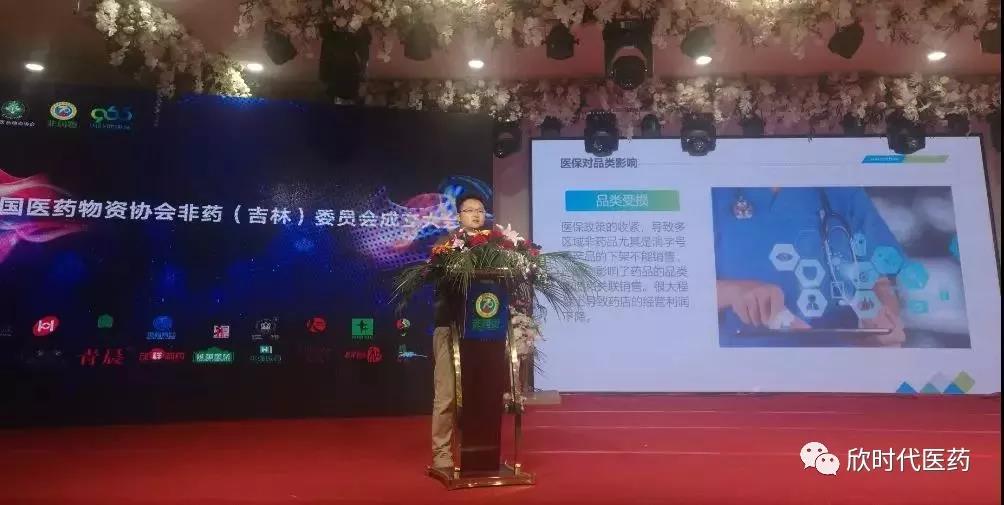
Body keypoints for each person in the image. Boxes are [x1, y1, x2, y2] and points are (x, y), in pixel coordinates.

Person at [714, 187, 905, 347]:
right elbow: (695, 290)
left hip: (836, 367)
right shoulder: (714, 190)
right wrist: (734, 291)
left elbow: (879, 281)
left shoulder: (841, 192)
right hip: (740, 368)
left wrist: (882, 321)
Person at [430, 194, 487, 470]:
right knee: (447, 395)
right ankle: (442, 452)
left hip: (484, 331)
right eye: (469, 210)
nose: (476, 215)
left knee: (481, 394)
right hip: (450, 326)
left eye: (480, 210)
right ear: (459, 216)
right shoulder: (447, 245)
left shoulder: (496, 246)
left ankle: (479, 450)